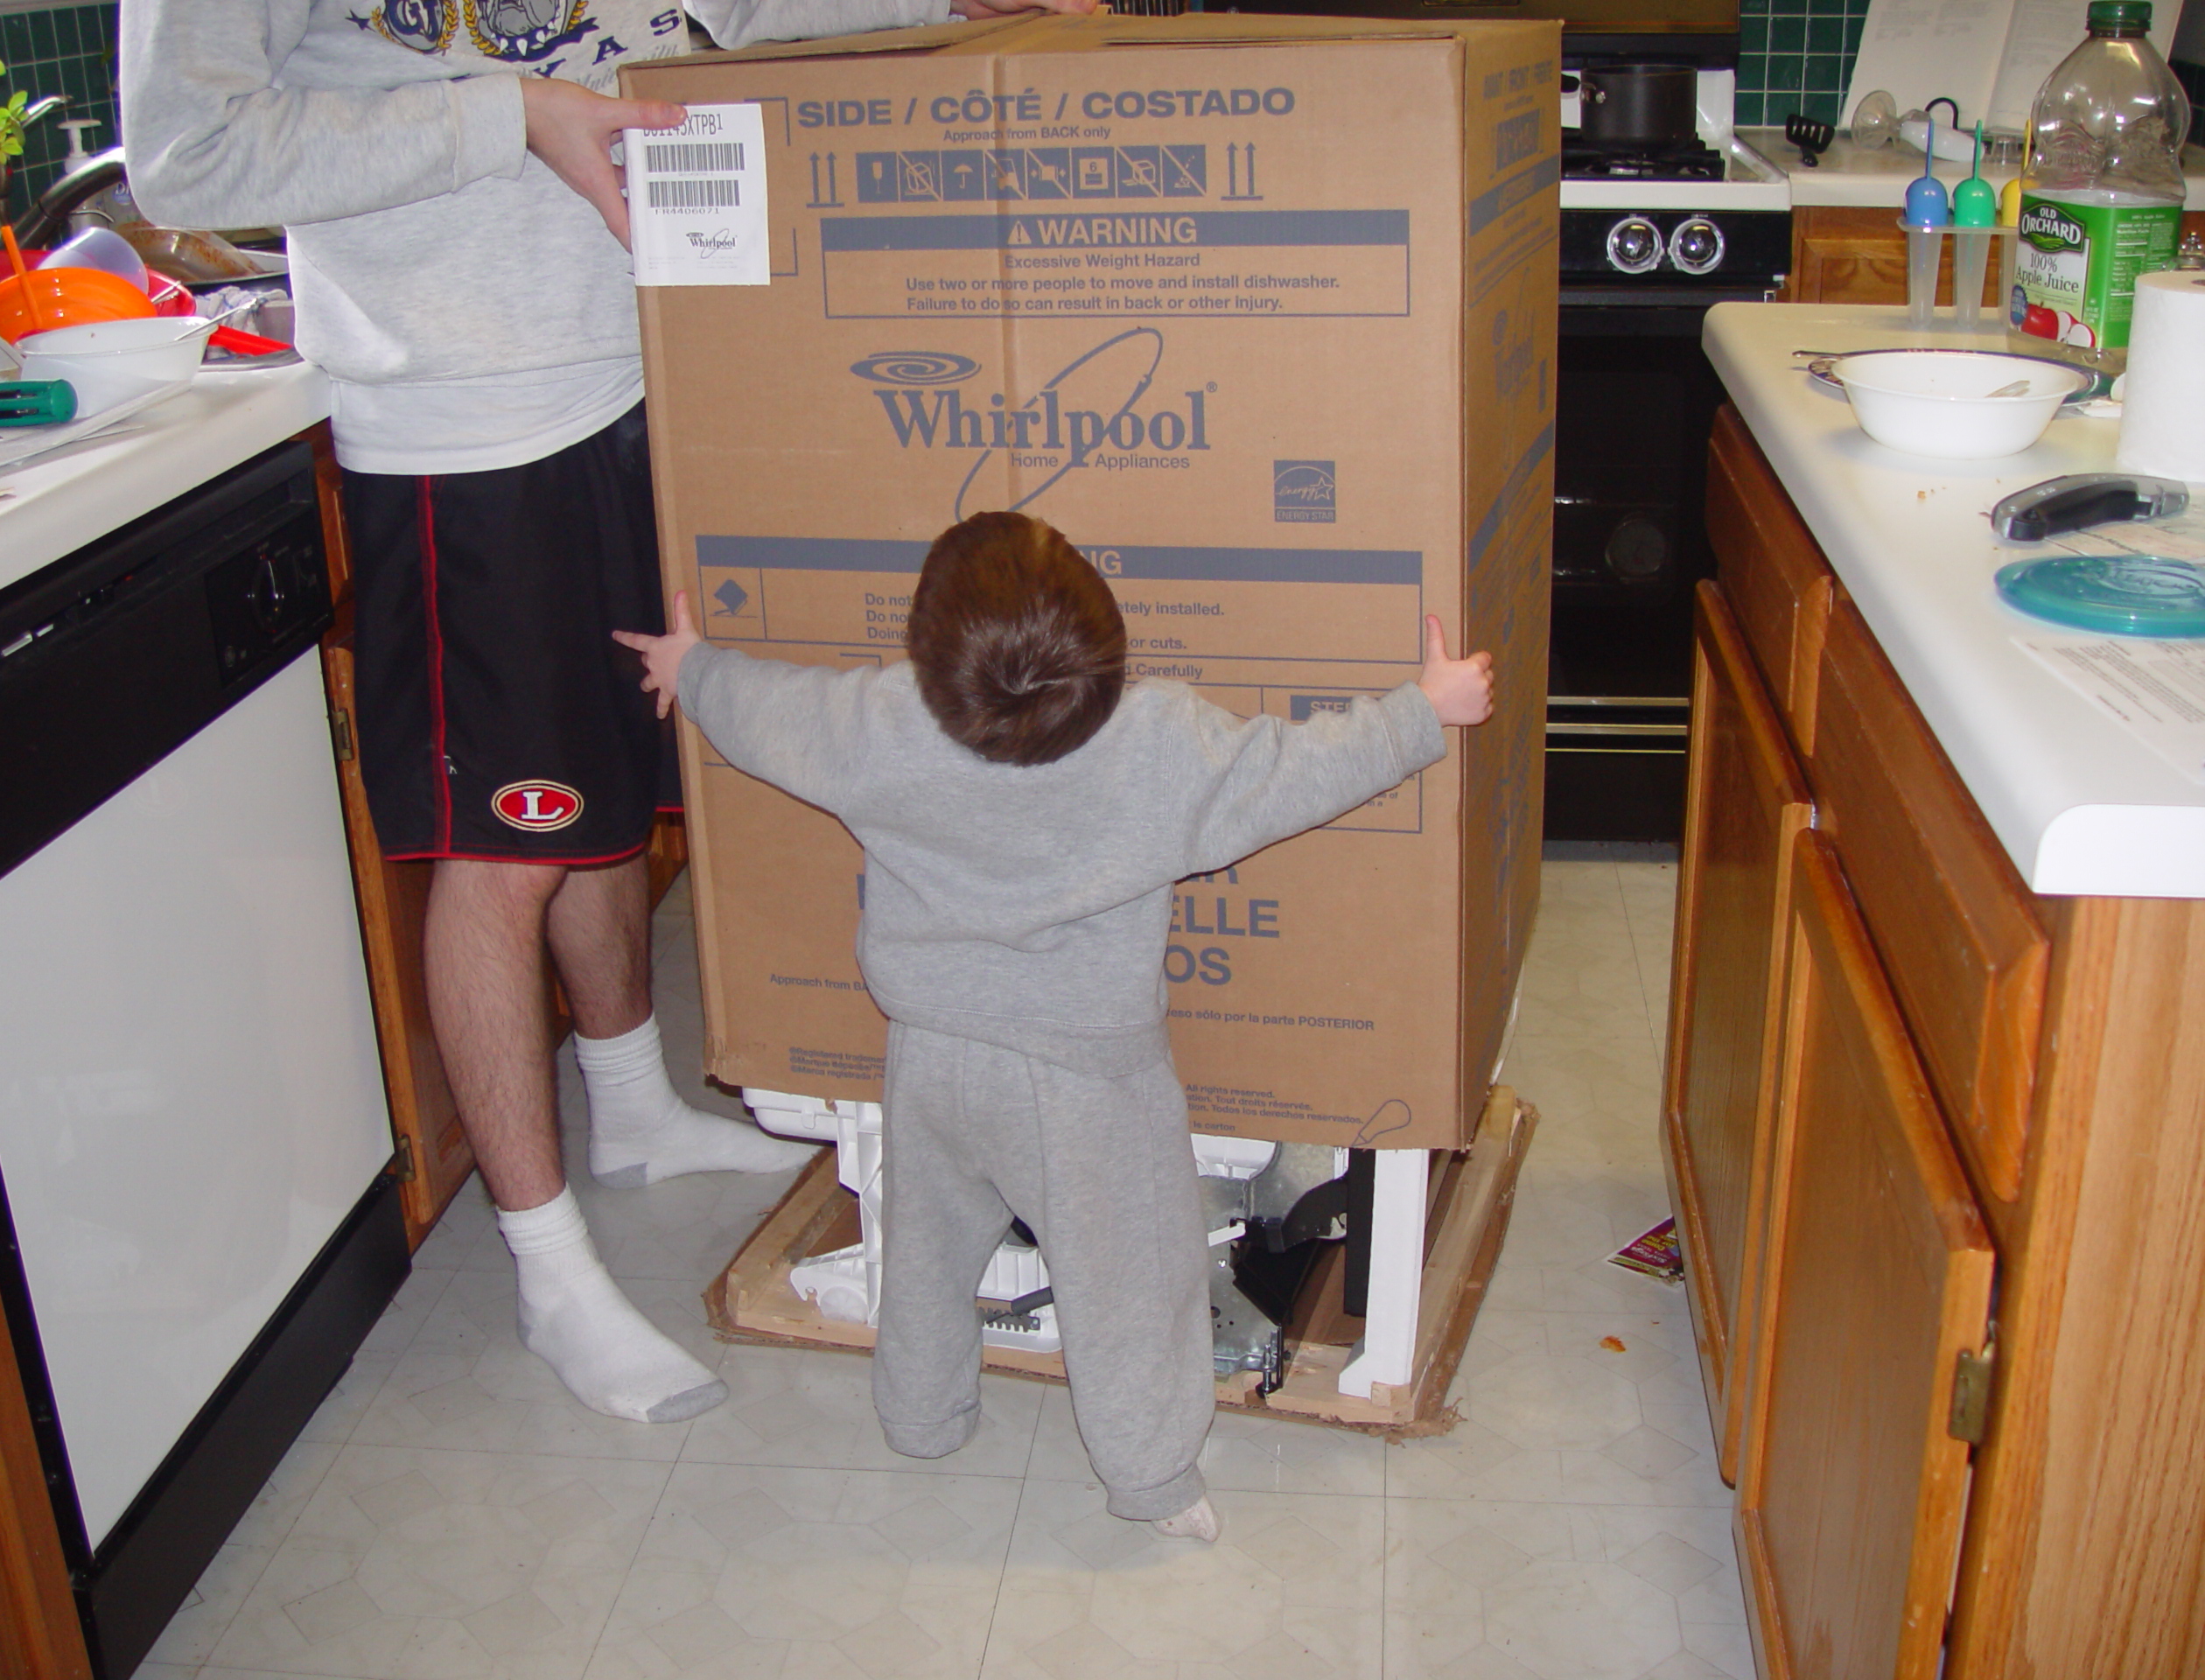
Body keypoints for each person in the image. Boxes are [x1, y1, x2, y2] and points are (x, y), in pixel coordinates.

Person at [119, 0, 1095, 1428]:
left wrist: (949, 6)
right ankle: (546, 1266)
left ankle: (631, 1105)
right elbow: (192, 157)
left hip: (644, 370)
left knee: (598, 785)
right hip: (465, 418)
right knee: (503, 845)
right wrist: (509, 117)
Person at [618, 511, 1495, 1536]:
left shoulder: (882, 720)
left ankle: (921, 1417)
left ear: (923, 651)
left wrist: (696, 667)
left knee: (927, 1251)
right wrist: (1423, 710)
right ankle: (1152, 1479)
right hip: (1089, 1082)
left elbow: (775, 711)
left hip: (931, 1054)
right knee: (1132, 1284)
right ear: (1107, 643)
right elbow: (1291, 771)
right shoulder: (1157, 739)